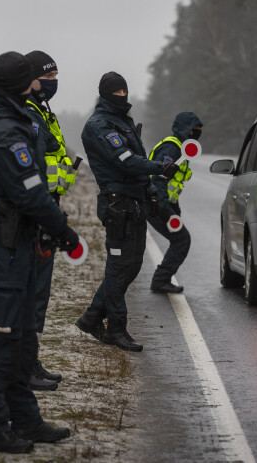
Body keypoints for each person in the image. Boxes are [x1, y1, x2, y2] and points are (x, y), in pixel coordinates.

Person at [0, 51, 77, 454]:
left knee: (20, 339)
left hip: (15, 241)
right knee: (0, 340)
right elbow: (29, 192)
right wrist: (64, 231)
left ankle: (25, 419)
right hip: (5, 244)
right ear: (24, 82)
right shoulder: (1, 130)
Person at [74, 71, 179, 352]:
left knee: (131, 265)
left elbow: (137, 163)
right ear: (106, 94)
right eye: (117, 92)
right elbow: (126, 161)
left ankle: (92, 317)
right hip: (117, 205)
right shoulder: (99, 125)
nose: (123, 96)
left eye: (125, 91)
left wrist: (152, 190)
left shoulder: (123, 121)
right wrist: (159, 168)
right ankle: (116, 329)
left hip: (133, 203)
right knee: (119, 266)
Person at [24, 50, 79, 391]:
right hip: (37, 215)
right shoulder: (27, 115)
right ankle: (25, 366)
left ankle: (31, 361)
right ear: (31, 78)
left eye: (57, 76)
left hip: (48, 210)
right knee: (30, 294)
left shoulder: (43, 112)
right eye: (48, 77)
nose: (54, 83)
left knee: (39, 293)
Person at [147, 112, 203, 293]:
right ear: (185, 130)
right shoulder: (172, 148)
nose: (196, 135)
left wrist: (174, 209)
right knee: (181, 239)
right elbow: (158, 178)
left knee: (179, 239)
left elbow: (173, 184)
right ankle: (160, 280)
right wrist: (164, 210)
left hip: (161, 203)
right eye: (194, 131)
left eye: (198, 131)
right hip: (155, 203)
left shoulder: (180, 148)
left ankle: (161, 279)